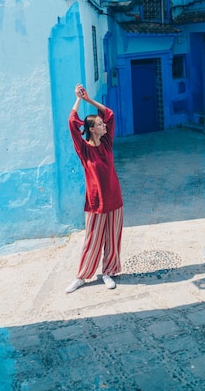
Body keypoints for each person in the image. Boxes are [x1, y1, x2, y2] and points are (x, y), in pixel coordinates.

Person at [66, 83, 123, 293]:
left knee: (112, 239)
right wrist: (78, 99)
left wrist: (89, 99)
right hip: (95, 202)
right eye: (100, 124)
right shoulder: (84, 150)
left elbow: (110, 114)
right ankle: (82, 276)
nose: (104, 126)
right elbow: (72, 123)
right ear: (91, 129)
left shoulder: (107, 143)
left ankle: (108, 272)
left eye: (103, 124)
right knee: (92, 239)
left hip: (114, 198)